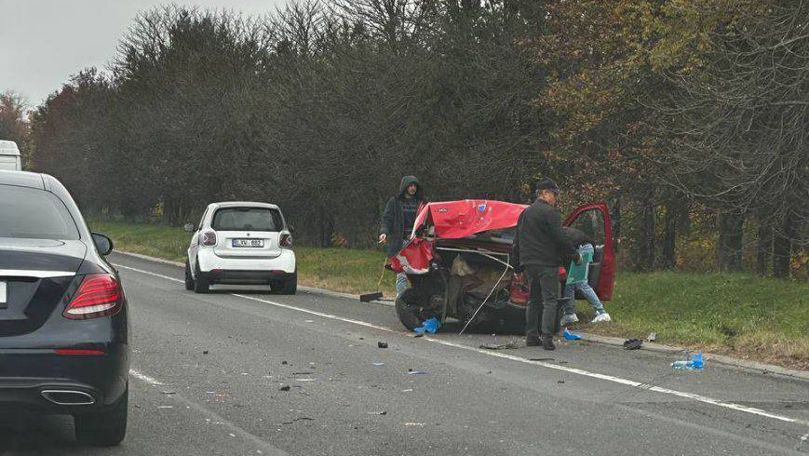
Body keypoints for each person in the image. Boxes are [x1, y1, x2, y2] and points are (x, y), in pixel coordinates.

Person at [511, 178, 578, 350]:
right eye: (554, 194)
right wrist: (574, 255)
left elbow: (516, 242)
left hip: (529, 264)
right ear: (545, 193)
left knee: (533, 300)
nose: (555, 198)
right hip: (547, 263)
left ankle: (531, 336)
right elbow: (560, 237)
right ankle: (547, 337)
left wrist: (517, 266)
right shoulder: (550, 213)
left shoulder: (525, 214)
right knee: (550, 300)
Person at [379, 176, 427, 295]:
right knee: (402, 274)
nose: (413, 188)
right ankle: (400, 300)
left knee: (419, 273)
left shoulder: (421, 203)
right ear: (405, 187)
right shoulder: (395, 202)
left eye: (415, 186)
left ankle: (416, 299)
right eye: (410, 185)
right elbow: (387, 218)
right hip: (401, 242)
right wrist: (384, 232)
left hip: (416, 243)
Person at [559, 227, 612, 326]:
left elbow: (566, 250)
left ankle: (602, 313)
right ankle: (570, 314)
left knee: (580, 282)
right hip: (581, 247)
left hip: (582, 249)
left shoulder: (556, 235)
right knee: (569, 283)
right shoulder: (560, 231)